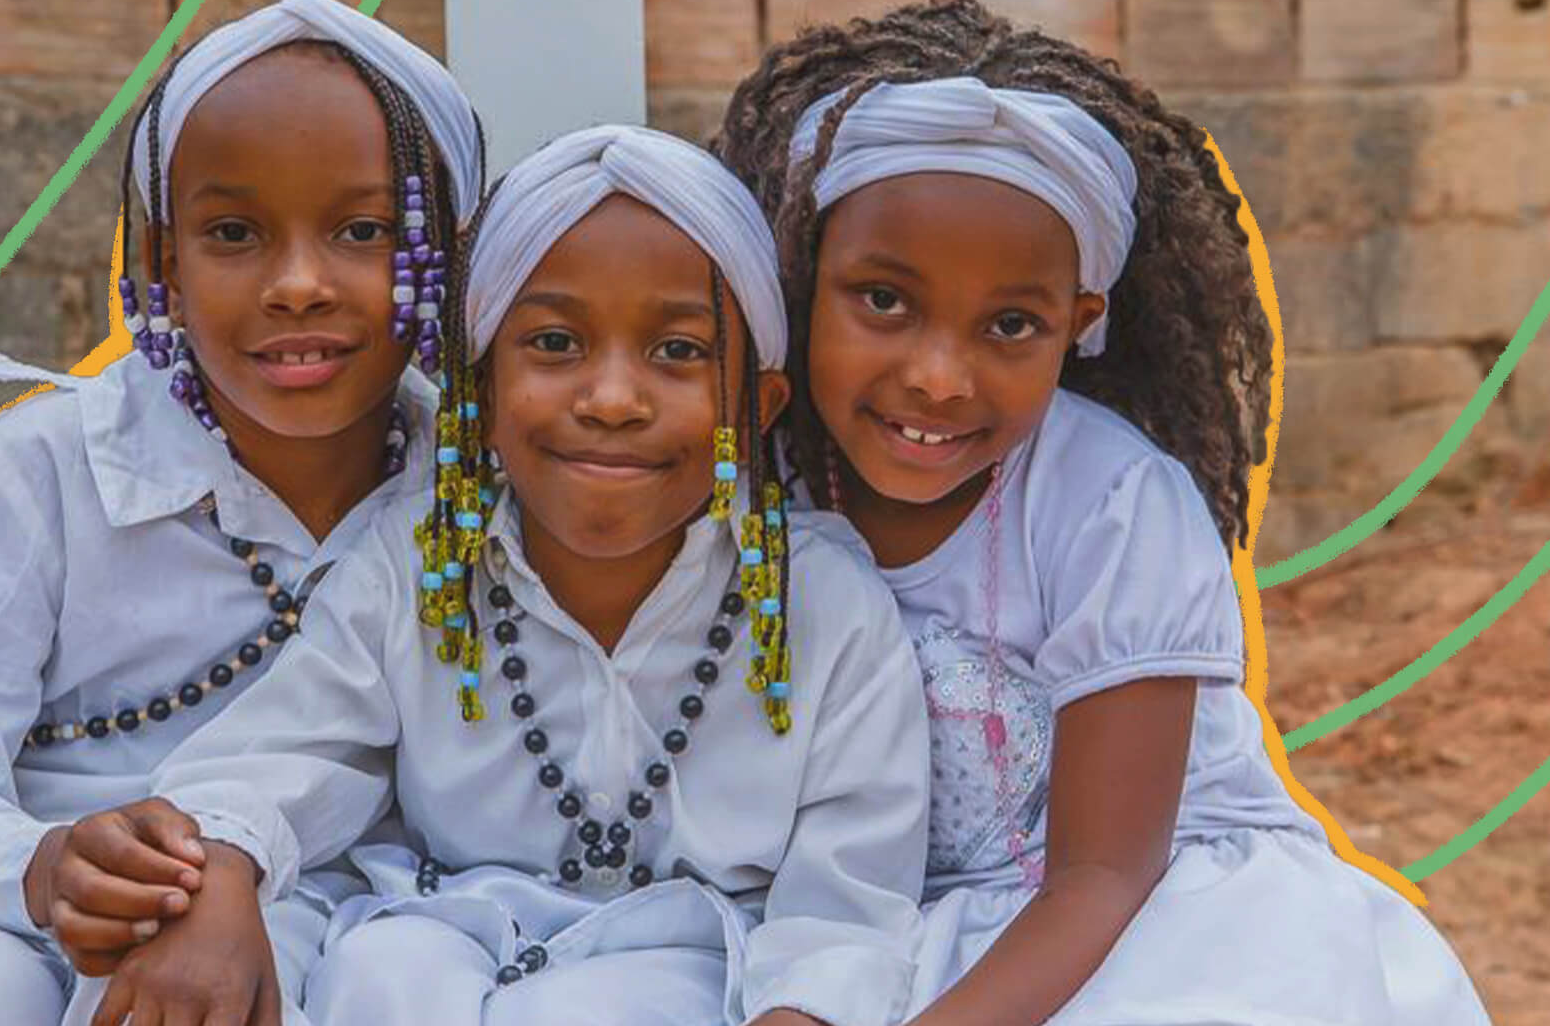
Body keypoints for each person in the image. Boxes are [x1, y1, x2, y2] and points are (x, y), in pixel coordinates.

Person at [713, 0, 1492, 1026]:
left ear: (1079, 326)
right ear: (804, 276)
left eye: (1010, 324)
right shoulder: (753, 479)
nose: (940, 377)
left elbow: (1104, 878)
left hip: (1146, 922)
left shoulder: (1112, 506)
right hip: (868, 922)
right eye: (884, 301)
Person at [71, 124, 930, 1026]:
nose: (610, 399)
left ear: (756, 407)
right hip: (430, 942)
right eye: (555, 344)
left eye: (677, 352)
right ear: (473, 390)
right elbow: (288, 753)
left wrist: (801, 1009)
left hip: (697, 974)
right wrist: (219, 871)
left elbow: (850, 900)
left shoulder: (826, 607)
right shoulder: (416, 562)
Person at [0, 0, 483, 1026]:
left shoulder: (471, 501)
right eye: (234, 232)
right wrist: (50, 868)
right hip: (9, 919)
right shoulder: (48, 473)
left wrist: (228, 887)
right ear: (161, 264)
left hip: (332, 919)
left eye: (363, 230)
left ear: (448, 258)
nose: (297, 284)